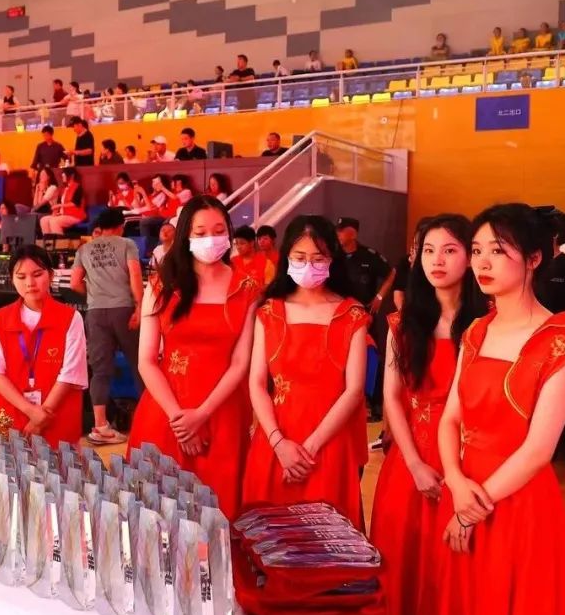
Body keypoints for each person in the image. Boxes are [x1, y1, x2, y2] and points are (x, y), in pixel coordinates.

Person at [418, 203, 565, 615]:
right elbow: (450, 417)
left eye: (497, 250)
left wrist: (470, 509)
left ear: (534, 258)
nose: (482, 262)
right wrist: (456, 483)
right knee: (462, 613)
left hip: (516, 501)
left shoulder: (560, 346)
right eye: (477, 250)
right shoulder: (477, 331)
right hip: (464, 489)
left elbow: (538, 451)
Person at [370, 214, 481, 615]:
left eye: (450, 250)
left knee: (454, 570)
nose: (437, 260)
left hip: (469, 460)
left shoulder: (486, 324)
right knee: (403, 562)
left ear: (470, 257)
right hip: (411, 460)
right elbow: (392, 397)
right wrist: (415, 463)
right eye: (428, 250)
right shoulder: (404, 323)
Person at [128, 196, 262, 518]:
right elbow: (146, 360)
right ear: (186, 235)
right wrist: (180, 419)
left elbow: (240, 363)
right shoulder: (162, 284)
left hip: (223, 413)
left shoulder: (247, 288)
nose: (210, 239)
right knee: (158, 514)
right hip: (166, 412)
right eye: (201, 233)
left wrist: (202, 414)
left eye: (219, 231)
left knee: (219, 511)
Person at [242, 214, 369, 526]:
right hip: (276, 437)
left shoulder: (351, 313)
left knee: (327, 537)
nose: (308, 266)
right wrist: (278, 443)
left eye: (318, 258)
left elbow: (354, 390)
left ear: (332, 259)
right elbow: (257, 382)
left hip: (329, 442)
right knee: (272, 538)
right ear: (286, 257)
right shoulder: (270, 311)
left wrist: (308, 450)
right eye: (299, 258)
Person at [0, 245, 88, 445]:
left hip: (55, 414)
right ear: (12, 279)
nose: (30, 283)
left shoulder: (70, 318)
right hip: (9, 411)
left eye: (37, 274)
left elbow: (70, 373)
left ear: (51, 275)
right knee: (6, 463)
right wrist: (31, 411)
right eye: (21, 277)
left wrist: (42, 416)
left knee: (58, 463)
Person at [70, 208, 144, 445]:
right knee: (141, 364)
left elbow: (74, 283)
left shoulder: (84, 249)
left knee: (100, 371)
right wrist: (139, 306)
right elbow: (135, 276)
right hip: (124, 310)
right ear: (121, 226)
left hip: (96, 313)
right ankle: (148, 421)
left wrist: (94, 295)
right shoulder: (127, 244)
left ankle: (100, 426)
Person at [336, 217, 394, 314]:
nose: (337, 234)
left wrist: (380, 296)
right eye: (337, 231)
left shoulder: (369, 256)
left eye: (341, 231)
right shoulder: (332, 255)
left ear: (353, 234)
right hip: (338, 312)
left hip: (364, 313)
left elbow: (392, 273)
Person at [39, 167, 85, 235]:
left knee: (54, 221)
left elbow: (75, 203)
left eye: (64, 175)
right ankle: (48, 240)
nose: (63, 177)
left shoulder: (77, 187)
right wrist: (55, 212)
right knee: (44, 220)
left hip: (75, 215)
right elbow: (60, 203)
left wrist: (59, 205)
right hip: (64, 214)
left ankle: (59, 240)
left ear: (72, 176)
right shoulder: (64, 189)